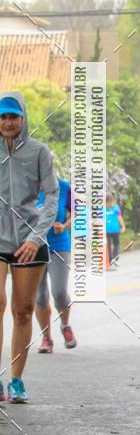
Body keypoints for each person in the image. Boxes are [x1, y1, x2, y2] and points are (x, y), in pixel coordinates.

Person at [0, 92, 58, 404]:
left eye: (13, 116)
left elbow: (51, 196)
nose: (8, 122)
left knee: (22, 311)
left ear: (23, 118)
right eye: (3, 116)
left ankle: (16, 380)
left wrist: (36, 237)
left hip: (29, 240)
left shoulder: (38, 152)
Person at [36, 176, 77, 353]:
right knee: (40, 296)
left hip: (59, 245)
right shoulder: (27, 186)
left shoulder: (64, 187)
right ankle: (46, 339)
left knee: (59, 292)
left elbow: (77, 211)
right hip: (33, 247)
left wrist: (65, 225)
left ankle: (65, 325)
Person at [105, 194, 125, 268]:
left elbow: (119, 217)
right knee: (108, 245)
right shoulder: (101, 208)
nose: (111, 204)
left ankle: (115, 258)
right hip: (106, 230)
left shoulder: (116, 208)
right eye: (109, 203)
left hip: (115, 229)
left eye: (112, 202)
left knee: (116, 244)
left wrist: (123, 226)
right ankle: (110, 259)